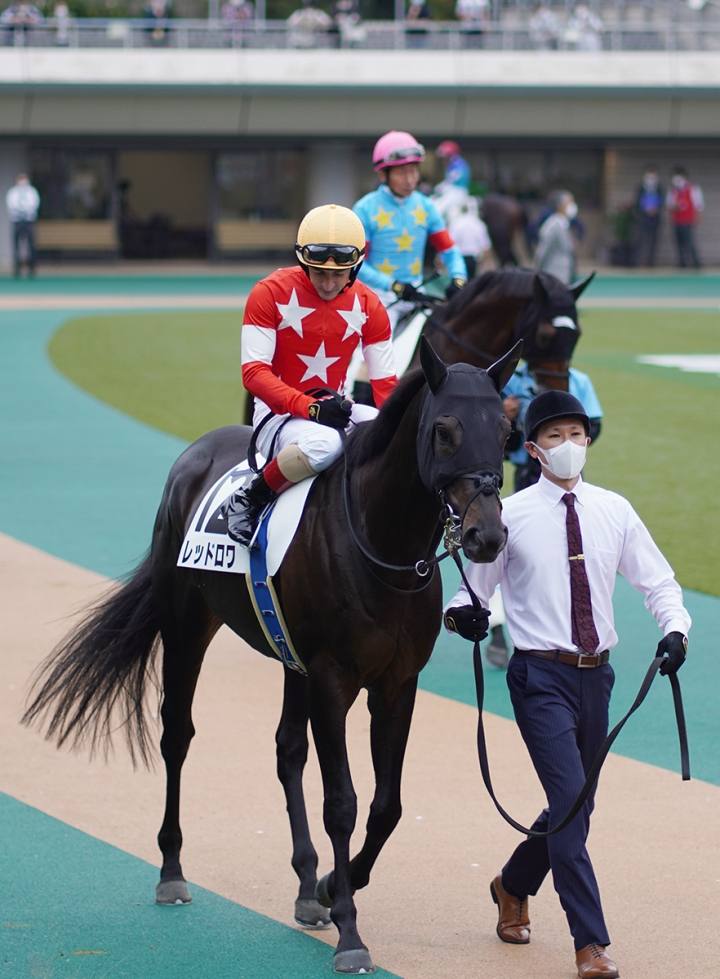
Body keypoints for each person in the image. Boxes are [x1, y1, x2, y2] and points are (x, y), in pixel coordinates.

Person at [444, 390, 690, 979]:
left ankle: (513, 883)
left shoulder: (615, 510)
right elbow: (470, 592)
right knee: (569, 803)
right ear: (532, 449)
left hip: (596, 678)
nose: (569, 446)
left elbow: (659, 583)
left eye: (577, 434)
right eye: (555, 437)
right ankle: (591, 944)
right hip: (538, 678)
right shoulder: (512, 514)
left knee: (576, 804)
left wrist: (676, 630)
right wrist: (465, 613)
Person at [224, 204, 398, 547]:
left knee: (392, 434)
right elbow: (254, 373)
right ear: (303, 261)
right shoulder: (268, 292)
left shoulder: (371, 305)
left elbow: (386, 386)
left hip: (333, 408)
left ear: (358, 264)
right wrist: (311, 408)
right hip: (275, 416)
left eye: (340, 273)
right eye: (319, 273)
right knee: (324, 444)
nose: (330, 283)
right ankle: (250, 497)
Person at [352, 131, 466, 403]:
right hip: (377, 297)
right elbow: (357, 264)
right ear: (384, 174)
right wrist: (392, 285)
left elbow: (449, 251)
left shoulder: (426, 207)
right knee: (367, 356)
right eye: (402, 173)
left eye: (414, 171)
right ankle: (357, 409)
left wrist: (459, 278)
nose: (411, 179)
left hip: (415, 295)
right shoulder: (365, 209)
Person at [534, 190, 577, 286]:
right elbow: (543, 250)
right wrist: (538, 271)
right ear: (560, 206)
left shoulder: (564, 224)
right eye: (569, 203)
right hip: (553, 275)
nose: (572, 206)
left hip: (563, 275)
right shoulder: (553, 225)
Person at [666, 166, 703, 270]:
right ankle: (681, 263)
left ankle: (696, 263)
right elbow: (669, 206)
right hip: (677, 221)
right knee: (678, 243)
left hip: (688, 221)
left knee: (689, 242)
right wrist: (676, 207)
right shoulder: (673, 191)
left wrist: (698, 219)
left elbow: (699, 205)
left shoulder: (693, 188)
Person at [5, 172, 40, 279]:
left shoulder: (32, 192)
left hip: (29, 220)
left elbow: (35, 204)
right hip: (17, 220)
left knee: (31, 245)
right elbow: (11, 205)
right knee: (16, 246)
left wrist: (26, 211)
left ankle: (32, 269)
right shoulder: (13, 192)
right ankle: (17, 269)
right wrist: (19, 211)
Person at [448, 198, 491, 279]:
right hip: (473, 259)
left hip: (459, 258)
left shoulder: (456, 223)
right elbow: (486, 245)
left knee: (459, 281)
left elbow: (451, 242)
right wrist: (485, 262)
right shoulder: (478, 224)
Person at [634, 165, 663, 267]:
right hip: (643, 217)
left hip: (655, 218)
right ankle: (635, 262)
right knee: (640, 240)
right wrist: (645, 209)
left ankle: (651, 262)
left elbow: (662, 202)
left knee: (654, 241)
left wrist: (655, 209)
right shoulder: (641, 188)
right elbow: (637, 202)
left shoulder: (659, 188)